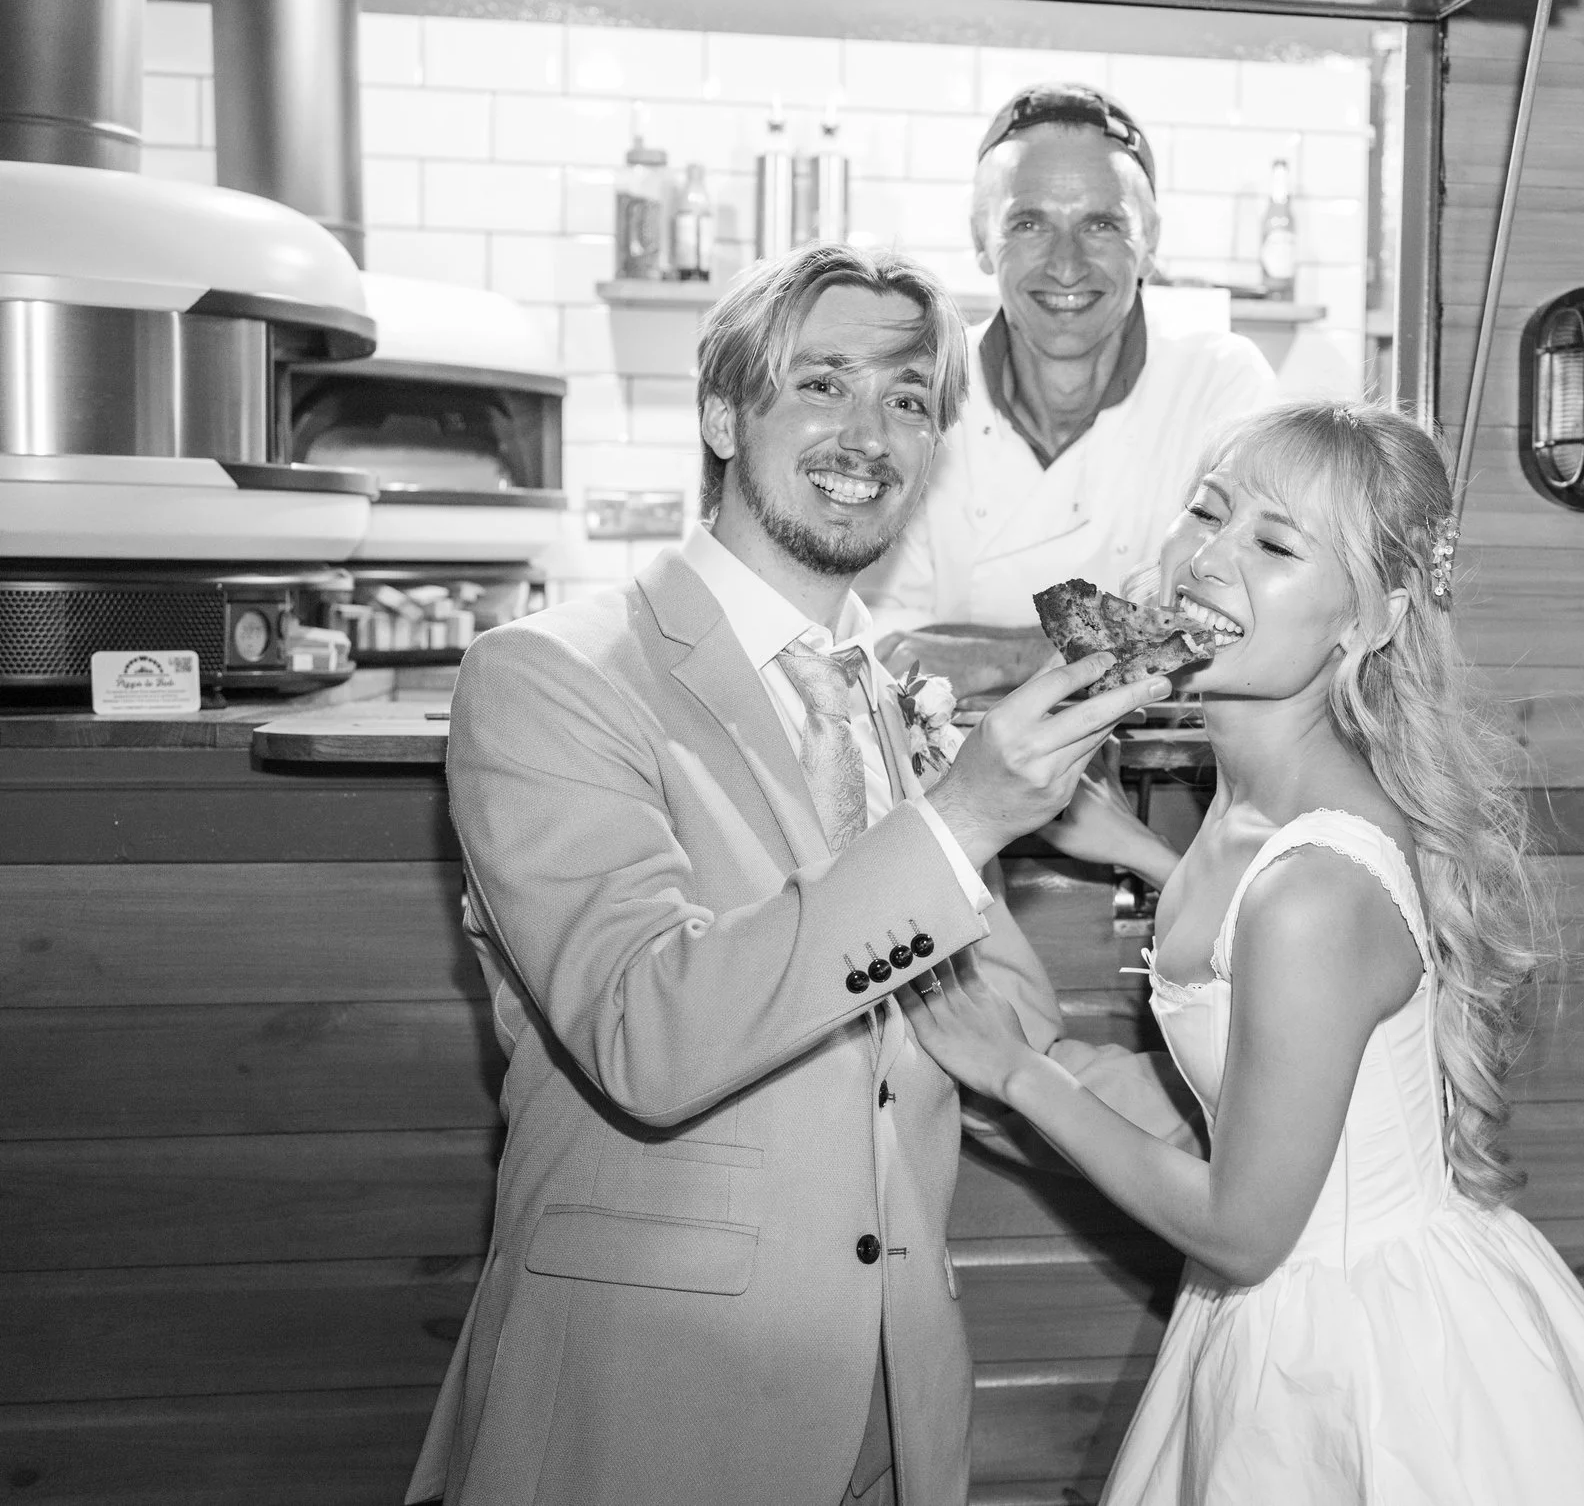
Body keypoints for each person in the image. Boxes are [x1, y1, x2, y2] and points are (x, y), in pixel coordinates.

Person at [407, 245, 1184, 1506]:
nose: (868, 431)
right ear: (722, 414)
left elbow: (994, 1047)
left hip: (890, 1411)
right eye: (820, 383)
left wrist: (1274, 1143)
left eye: (908, 398)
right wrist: (967, 813)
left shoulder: (891, 697)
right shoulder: (551, 675)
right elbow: (645, 1033)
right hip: (645, 1407)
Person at [900, 402, 1584, 1505]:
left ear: (1367, 621)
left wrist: (1012, 1068)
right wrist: (1131, 847)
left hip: (1355, 1359)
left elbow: (1241, 1230)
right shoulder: (1254, 820)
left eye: (1275, 545)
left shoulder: (1311, 890)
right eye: (1209, 511)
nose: (1205, 559)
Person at [858, 82, 1279, 694]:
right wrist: (1122, 642)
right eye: (1028, 223)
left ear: (1151, 241)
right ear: (980, 237)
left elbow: (1233, 628)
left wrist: (987, 659)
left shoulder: (1219, 383)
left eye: (1101, 224)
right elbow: (874, 641)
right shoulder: (920, 390)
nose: (1065, 265)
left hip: (1166, 773)